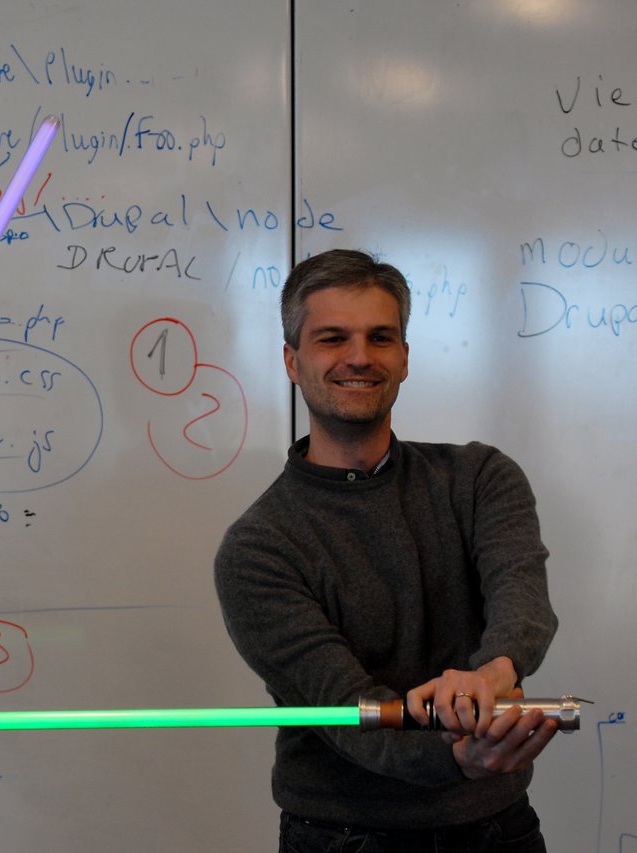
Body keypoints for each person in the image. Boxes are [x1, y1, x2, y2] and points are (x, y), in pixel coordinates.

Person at [214, 249, 560, 851]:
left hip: (499, 828)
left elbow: (521, 602)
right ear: (292, 361)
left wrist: (491, 676)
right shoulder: (258, 548)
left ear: (403, 357)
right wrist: (459, 758)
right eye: (332, 338)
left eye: (380, 337)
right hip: (344, 837)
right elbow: (350, 715)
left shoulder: (480, 478)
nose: (359, 357)